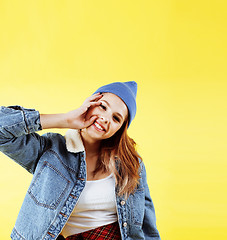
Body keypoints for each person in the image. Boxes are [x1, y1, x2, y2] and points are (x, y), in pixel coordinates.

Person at [0, 81, 161, 240]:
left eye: (116, 118)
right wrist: (66, 119)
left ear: (120, 129)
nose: (105, 119)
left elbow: (147, 228)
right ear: (90, 103)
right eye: (102, 106)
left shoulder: (131, 164)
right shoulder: (50, 150)